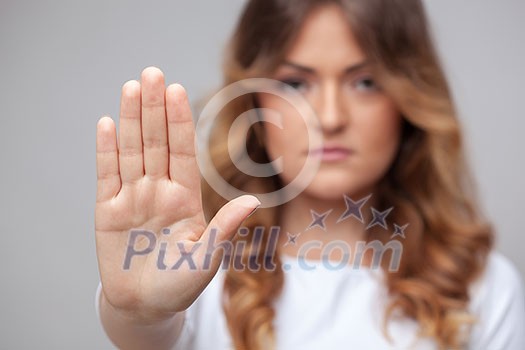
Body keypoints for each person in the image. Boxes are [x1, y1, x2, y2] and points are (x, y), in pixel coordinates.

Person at [94, 0, 525, 349]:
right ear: (254, 102)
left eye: (366, 82)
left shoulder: (483, 288)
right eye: (297, 83)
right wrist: (139, 315)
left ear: (409, 96)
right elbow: (148, 330)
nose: (330, 117)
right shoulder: (195, 270)